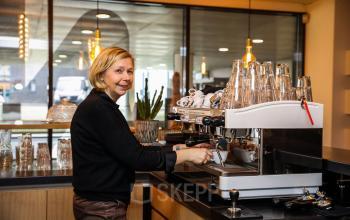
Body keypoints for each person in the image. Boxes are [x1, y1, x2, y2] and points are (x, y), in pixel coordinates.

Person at [71, 47, 213, 220]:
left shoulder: (100, 105)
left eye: (129, 71)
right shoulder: (100, 109)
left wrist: (178, 147)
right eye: (119, 71)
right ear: (101, 75)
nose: (126, 77)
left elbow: (132, 150)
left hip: (99, 204)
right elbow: (137, 158)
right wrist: (187, 155)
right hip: (102, 207)